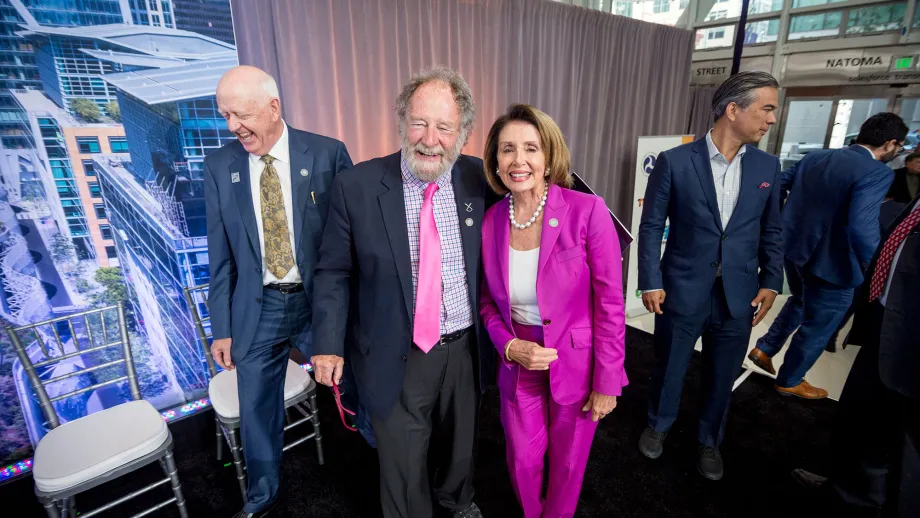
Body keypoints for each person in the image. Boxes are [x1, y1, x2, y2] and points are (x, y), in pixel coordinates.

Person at [311, 66, 496, 518]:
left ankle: (458, 498)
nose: (429, 138)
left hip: (466, 347)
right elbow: (332, 271)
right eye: (419, 123)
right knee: (402, 460)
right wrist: (328, 345)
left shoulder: (481, 180)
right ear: (402, 124)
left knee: (461, 443)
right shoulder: (355, 186)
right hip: (396, 348)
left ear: (464, 134)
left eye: (444, 127)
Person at [204, 65, 353, 518]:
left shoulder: (328, 154)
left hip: (319, 299)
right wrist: (222, 328)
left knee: (360, 382)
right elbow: (221, 257)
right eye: (225, 115)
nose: (233, 127)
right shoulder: (219, 166)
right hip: (260, 305)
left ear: (273, 108)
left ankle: (380, 458)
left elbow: (353, 240)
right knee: (254, 408)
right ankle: (261, 497)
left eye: (241, 114)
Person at [478, 104, 628, 518]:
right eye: (507, 149)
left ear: (549, 158)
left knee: (566, 465)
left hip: (577, 362)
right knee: (522, 461)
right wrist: (508, 346)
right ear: (495, 159)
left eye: (531, 148)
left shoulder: (587, 211)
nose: (518, 160)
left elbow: (611, 304)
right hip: (519, 360)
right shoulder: (491, 221)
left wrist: (608, 380)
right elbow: (488, 302)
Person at [637, 71, 784, 481]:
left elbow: (772, 229)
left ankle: (709, 439)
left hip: (739, 294)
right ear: (733, 110)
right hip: (681, 288)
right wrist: (650, 279)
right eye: (766, 108)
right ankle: (659, 424)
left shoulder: (768, 166)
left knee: (723, 373)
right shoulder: (675, 161)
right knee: (670, 365)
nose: (771, 119)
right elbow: (651, 227)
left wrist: (772, 280)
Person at [747, 113, 905, 399]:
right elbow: (862, 224)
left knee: (800, 300)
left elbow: (778, 186)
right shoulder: (879, 173)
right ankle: (790, 379)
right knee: (819, 324)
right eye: (899, 147)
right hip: (835, 263)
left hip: (794, 251)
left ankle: (765, 348)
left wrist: (782, 225)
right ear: (891, 143)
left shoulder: (816, 157)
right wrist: (877, 262)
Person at [792, 194, 920, 518]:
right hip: (885, 323)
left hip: (912, 346)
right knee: (861, 423)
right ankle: (849, 494)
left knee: (908, 454)